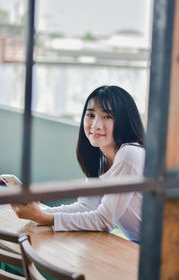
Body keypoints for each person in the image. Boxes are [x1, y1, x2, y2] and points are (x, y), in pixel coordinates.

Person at [12, 85, 145, 243]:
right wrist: (39, 212)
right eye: (90, 114)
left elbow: (104, 220)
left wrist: (43, 217)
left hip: (162, 249)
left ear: (124, 120)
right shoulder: (102, 156)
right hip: (138, 244)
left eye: (108, 116)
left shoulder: (129, 154)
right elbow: (87, 206)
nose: (96, 125)